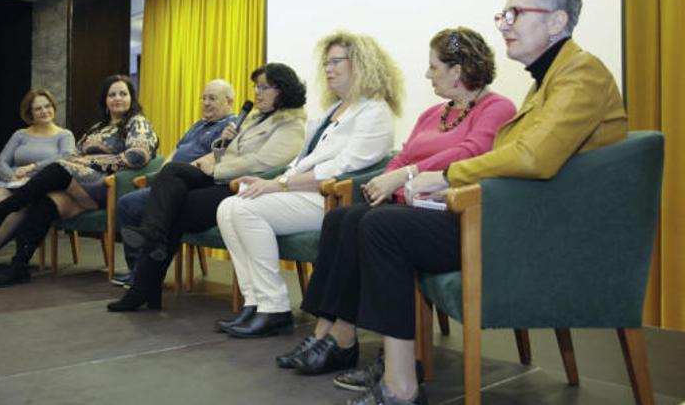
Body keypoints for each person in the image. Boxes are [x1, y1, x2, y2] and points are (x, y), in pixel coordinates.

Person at [341, 0, 627, 405]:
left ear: (556, 21)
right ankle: (396, 369)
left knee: (383, 228)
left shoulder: (580, 75)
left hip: (536, 236)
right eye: (504, 13)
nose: (504, 24)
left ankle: (400, 384)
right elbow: (522, 156)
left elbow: (534, 156)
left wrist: (447, 176)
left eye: (516, 13)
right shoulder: (547, 81)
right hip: (514, 220)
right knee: (373, 221)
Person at [276, 27, 516, 377]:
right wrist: (391, 178)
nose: (427, 74)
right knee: (341, 218)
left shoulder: (497, 107)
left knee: (370, 225)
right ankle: (327, 332)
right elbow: (401, 157)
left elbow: (471, 153)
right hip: (413, 207)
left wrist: (403, 177)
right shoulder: (433, 114)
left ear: (457, 71)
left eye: (434, 67)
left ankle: (351, 344)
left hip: (455, 213)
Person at [214, 32, 405, 339]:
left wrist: (280, 185)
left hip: (333, 200)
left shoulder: (375, 111)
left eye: (336, 62)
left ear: (361, 63)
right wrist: (273, 182)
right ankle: (255, 301)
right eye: (326, 62)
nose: (328, 69)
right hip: (306, 192)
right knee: (228, 207)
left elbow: (341, 169)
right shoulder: (335, 109)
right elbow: (304, 160)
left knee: (245, 210)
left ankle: (274, 307)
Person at [106, 63, 308, 311]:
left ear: (283, 90)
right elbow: (231, 154)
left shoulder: (292, 125)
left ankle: (143, 287)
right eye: (256, 86)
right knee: (172, 172)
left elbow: (263, 163)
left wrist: (217, 169)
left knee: (173, 210)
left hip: (241, 188)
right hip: (220, 176)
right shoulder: (253, 119)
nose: (257, 92)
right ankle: (151, 248)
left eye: (264, 87)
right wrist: (222, 147)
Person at [0, 75, 158, 288]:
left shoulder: (137, 122)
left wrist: (89, 161)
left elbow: (137, 156)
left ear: (132, 98)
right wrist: (79, 161)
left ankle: (1, 209)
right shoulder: (97, 127)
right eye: (111, 94)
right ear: (104, 100)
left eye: (123, 94)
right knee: (43, 205)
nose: (117, 98)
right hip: (81, 188)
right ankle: (19, 267)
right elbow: (72, 156)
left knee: (57, 169)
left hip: (108, 188)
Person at [112, 79, 236, 288]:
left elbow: (217, 159)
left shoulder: (231, 128)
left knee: (131, 205)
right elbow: (176, 152)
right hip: (169, 182)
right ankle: (137, 269)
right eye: (203, 98)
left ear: (229, 101)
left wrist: (170, 178)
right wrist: (161, 176)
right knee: (126, 203)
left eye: (212, 98)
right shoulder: (198, 125)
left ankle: (141, 275)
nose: (205, 103)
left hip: (193, 186)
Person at [0, 89, 74, 278]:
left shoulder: (64, 135)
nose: (44, 111)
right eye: (38, 108)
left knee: (19, 208)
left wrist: (33, 168)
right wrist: (12, 177)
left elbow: (65, 158)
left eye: (47, 106)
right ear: (30, 113)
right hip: (12, 182)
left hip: (39, 187)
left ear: (53, 107)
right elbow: (1, 161)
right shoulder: (20, 134)